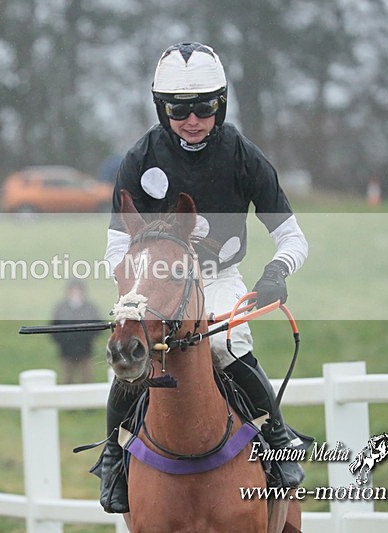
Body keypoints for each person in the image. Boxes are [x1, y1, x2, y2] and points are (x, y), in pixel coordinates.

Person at [96, 42, 309, 514]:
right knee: (130, 355)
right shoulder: (139, 158)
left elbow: (293, 237)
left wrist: (277, 271)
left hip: (218, 278)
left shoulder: (243, 156)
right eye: (179, 109)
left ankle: (276, 440)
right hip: (156, 279)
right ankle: (113, 456)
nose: (192, 120)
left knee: (226, 344)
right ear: (162, 108)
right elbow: (116, 241)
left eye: (204, 107)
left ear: (221, 104)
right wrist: (132, 287)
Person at [51, 280, 101, 384]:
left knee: (86, 379)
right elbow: (53, 327)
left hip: (85, 349)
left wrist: (87, 337)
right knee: (67, 379)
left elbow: (98, 327)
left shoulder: (90, 308)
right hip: (66, 350)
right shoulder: (61, 308)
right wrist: (63, 341)